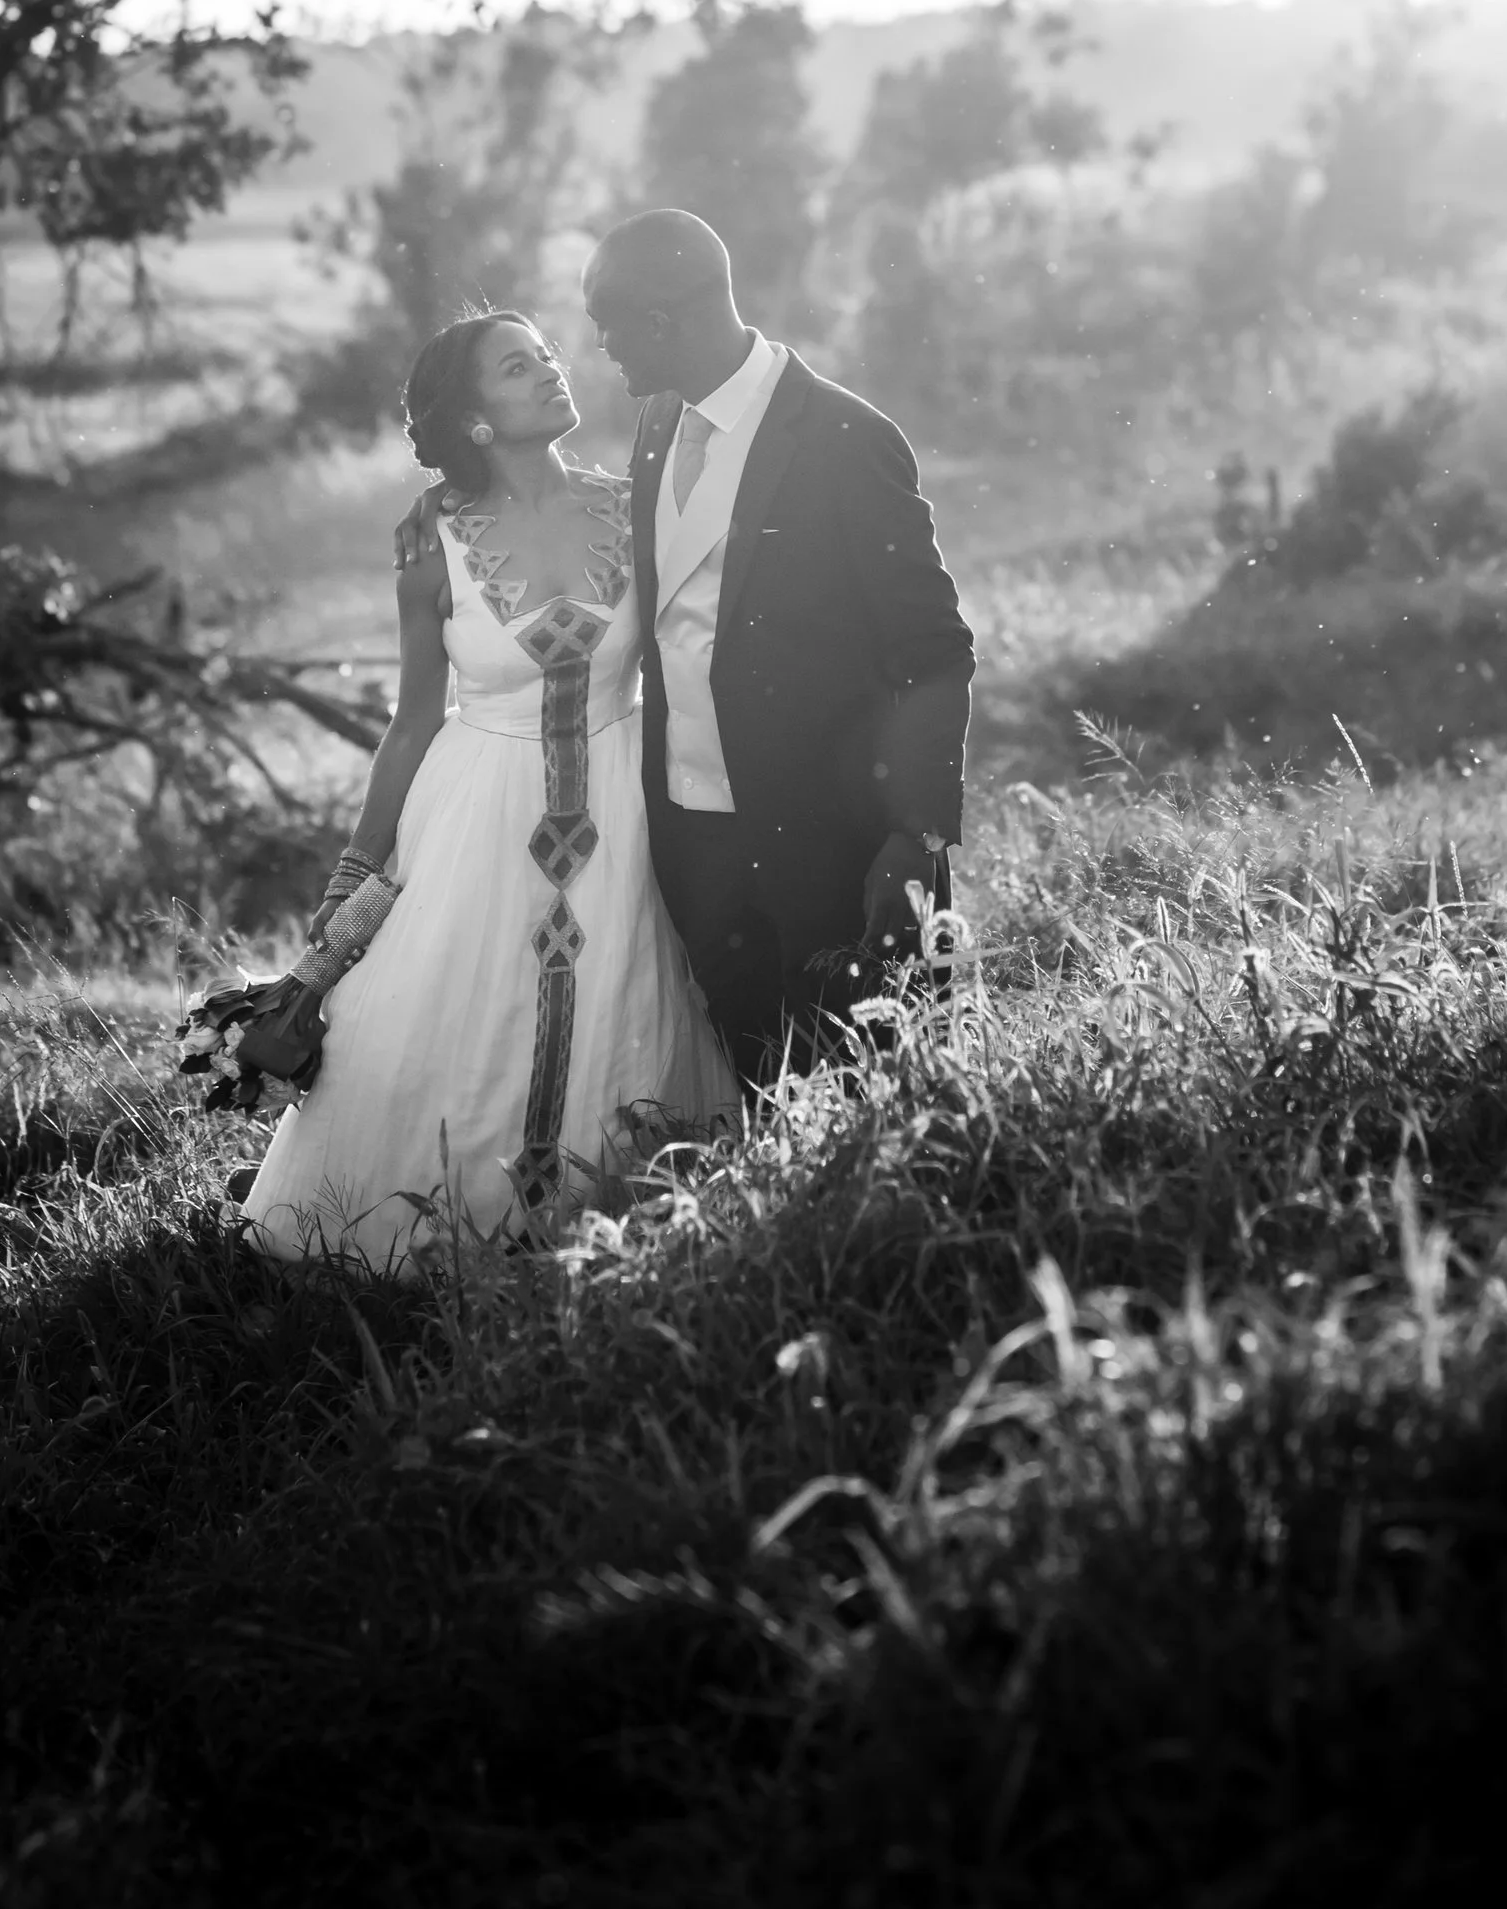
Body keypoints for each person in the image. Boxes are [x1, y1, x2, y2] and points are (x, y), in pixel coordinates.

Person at [409, 212, 975, 1084]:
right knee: (754, 1086)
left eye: (610, 322)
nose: (595, 346)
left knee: (874, 1086)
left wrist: (919, 830)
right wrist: (447, 493)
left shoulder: (845, 439)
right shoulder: (657, 427)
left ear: (664, 323)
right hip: (692, 844)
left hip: (831, 838)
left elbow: (933, 649)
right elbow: (550, 521)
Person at [237, 310, 738, 1265]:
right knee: (458, 1014)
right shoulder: (431, 546)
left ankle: (611, 1224)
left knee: (630, 1001)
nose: (552, 371)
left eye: (549, 355)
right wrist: (357, 864)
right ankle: (432, 1227)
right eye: (520, 366)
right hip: (479, 815)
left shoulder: (634, 506)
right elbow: (413, 716)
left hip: (631, 808)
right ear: (472, 417)